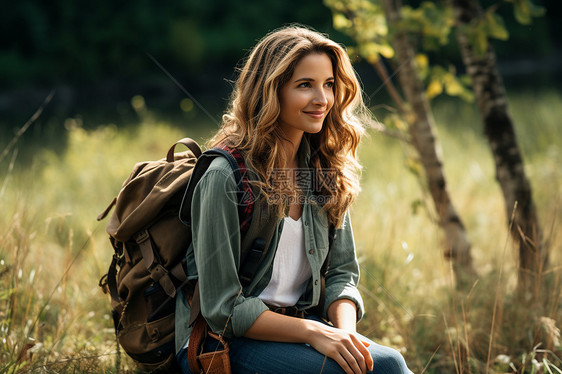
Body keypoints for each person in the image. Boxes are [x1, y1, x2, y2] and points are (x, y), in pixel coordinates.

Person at [175, 25, 413, 374]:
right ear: (271, 91)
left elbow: (341, 274)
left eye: (329, 84)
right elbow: (222, 308)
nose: (322, 99)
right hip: (224, 342)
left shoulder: (322, 167)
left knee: (387, 363)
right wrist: (315, 333)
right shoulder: (225, 175)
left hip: (305, 328)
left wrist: (344, 337)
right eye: (305, 85)